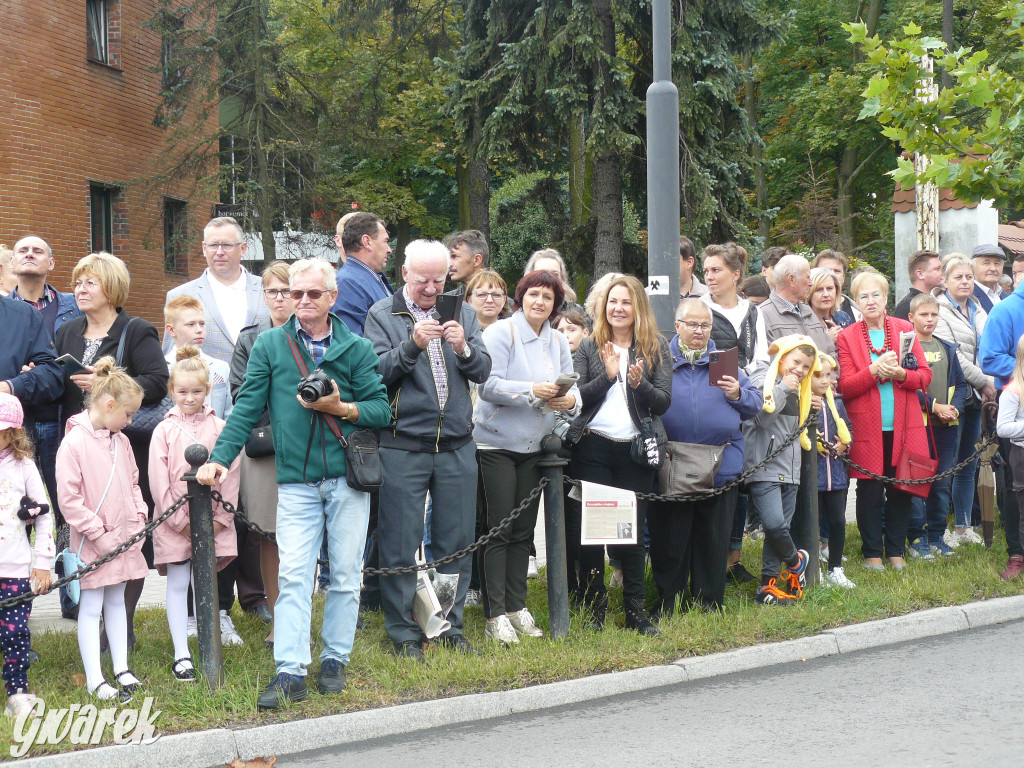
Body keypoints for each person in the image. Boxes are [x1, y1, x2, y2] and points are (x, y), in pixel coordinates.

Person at [199, 258, 391, 708]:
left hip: (346, 477)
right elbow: (245, 408)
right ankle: (289, 670)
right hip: (296, 481)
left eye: (313, 294)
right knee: (294, 575)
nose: (302, 301)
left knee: (344, 575)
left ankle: (334, 658)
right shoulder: (270, 344)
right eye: (295, 293)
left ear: (332, 297)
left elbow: (381, 410)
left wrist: (343, 408)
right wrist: (219, 459)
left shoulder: (357, 347)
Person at [364, 240, 492, 660]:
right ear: (404, 274)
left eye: (440, 279)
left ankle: (447, 625)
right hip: (402, 445)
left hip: (457, 444)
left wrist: (464, 348)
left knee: (455, 541)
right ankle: (403, 631)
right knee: (400, 543)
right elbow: (374, 375)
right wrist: (412, 345)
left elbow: (483, 370)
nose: (432, 289)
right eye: (423, 281)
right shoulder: (382, 314)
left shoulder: (463, 311)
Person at [55, 252, 168, 643]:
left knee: (124, 536)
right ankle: (90, 615)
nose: (80, 289)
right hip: (79, 445)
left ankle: (121, 626)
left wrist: (107, 385)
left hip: (123, 446)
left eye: (90, 282)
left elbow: (156, 383)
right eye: (77, 282)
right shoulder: (67, 331)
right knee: (87, 530)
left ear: (112, 288)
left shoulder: (136, 330)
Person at [164, 217, 270, 626]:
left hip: (251, 416)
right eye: (212, 245)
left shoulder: (267, 290)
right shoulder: (182, 294)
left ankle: (256, 593)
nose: (219, 251)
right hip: (201, 425)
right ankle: (214, 604)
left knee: (248, 512)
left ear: (243, 248)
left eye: (227, 244)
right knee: (215, 510)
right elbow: (171, 367)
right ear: (203, 248)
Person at [474, 271, 580, 644]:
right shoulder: (502, 332)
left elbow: (573, 390)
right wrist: (531, 390)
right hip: (496, 446)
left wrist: (567, 400)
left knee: (522, 534)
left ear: (556, 305)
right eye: (534, 294)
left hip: (535, 448)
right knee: (499, 530)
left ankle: (517, 607)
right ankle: (494, 615)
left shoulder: (556, 340)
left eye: (548, 298)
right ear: (520, 298)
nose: (540, 302)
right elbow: (487, 385)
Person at [565, 274, 670, 635]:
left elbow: (664, 402)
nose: (618, 308)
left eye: (626, 302)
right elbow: (578, 397)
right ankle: (595, 608)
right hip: (593, 447)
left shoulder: (655, 346)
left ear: (637, 306)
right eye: (613, 301)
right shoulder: (590, 345)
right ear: (603, 307)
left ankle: (635, 611)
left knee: (631, 534)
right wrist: (610, 377)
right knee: (593, 533)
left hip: (635, 451)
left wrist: (639, 385)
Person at [651, 300, 761, 613]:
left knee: (713, 540)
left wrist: (736, 394)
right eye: (693, 324)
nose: (699, 331)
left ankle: (708, 602)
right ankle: (668, 601)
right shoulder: (660, 361)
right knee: (671, 540)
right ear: (678, 325)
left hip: (720, 466)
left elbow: (754, 405)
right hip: (672, 465)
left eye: (705, 325)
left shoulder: (726, 363)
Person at [56, 358, 148, 702]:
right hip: (95, 543)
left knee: (117, 603)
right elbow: (70, 501)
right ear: (109, 405)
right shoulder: (74, 444)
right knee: (92, 606)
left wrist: (139, 514)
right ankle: (95, 677)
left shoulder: (121, 442)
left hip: (124, 539)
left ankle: (122, 667)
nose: (130, 421)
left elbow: (135, 482)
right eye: (127, 414)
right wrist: (99, 532)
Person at [149, 347, 239, 680]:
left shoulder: (221, 426)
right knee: (177, 584)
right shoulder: (164, 431)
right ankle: (181, 653)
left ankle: (210, 644)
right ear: (172, 391)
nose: (190, 398)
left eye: (197, 391)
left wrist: (217, 522)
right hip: (177, 526)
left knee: (208, 584)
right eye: (182, 391)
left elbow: (232, 472)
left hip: (214, 522)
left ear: (208, 390)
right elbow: (159, 483)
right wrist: (182, 523)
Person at [837, 271, 932, 571]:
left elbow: (925, 376)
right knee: (869, 493)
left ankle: (896, 551)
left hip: (904, 427)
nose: (871, 301)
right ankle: (872, 554)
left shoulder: (904, 329)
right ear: (857, 302)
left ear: (886, 298)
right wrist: (875, 371)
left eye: (876, 294)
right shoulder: (847, 336)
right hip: (868, 428)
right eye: (863, 296)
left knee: (901, 490)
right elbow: (846, 386)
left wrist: (902, 375)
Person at [8, 236, 79, 601]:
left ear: (52, 263)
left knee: (64, 506)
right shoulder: (8, 313)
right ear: (11, 263)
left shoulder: (72, 306)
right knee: (14, 509)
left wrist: (36, 374)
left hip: (59, 416)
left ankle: (72, 595)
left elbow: (70, 359)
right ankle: (17, 602)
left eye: (38, 250)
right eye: (23, 249)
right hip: (15, 425)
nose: (30, 254)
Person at [229, 260, 295, 646]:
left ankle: (304, 615)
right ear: (263, 294)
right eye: (273, 291)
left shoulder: (318, 335)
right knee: (270, 536)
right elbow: (241, 395)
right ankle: (279, 619)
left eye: (287, 290)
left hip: (312, 446)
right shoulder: (251, 338)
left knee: (306, 538)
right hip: (266, 446)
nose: (281, 298)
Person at [744, 336, 816, 605]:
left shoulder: (801, 389)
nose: (799, 369)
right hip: (764, 466)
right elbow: (761, 418)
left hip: (791, 469)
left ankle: (768, 586)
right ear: (782, 357)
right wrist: (784, 388)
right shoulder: (764, 376)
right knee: (773, 525)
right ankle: (796, 561)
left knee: (780, 529)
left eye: (806, 366)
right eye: (796, 361)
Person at [933, 254, 993, 547]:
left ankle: (963, 526)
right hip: (955, 393)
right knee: (948, 464)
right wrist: (985, 381)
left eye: (969, 276)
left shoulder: (979, 309)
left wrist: (989, 382)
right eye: (958, 277)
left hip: (978, 396)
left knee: (969, 463)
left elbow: (990, 347)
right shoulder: (940, 310)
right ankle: (939, 528)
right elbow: (953, 355)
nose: (965, 281)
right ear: (944, 281)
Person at [0, 392, 54, 716]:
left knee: (16, 634)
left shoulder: (25, 467)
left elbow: (45, 514)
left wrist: (43, 563)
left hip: (15, 568)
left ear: (12, 432)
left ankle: (17, 693)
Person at [905, 293, 967, 559]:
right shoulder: (906, 350)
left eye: (934, 314)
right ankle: (916, 537)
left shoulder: (946, 348)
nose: (929, 319)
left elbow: (962, 385)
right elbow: (904, 385)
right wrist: (933, 406)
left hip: (947, 426)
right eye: (923, 314)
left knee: (942, 483)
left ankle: (937, 537)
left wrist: (954, 408)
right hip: (918, 426)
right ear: (911, 317)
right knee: (918, 483)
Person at [979, 268, 1024, 578]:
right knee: (1014, 487)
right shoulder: (1006, 310)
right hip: (1017, 407)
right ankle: (1017, 553)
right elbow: (990, 358)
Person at [812, 353, 855, 588]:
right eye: (818, 375)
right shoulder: (802, 401)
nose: (825, 380)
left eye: (828, 374)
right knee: (811, 524)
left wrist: (845, 444)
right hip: (813, 477)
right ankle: (812, 569)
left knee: (838, 521)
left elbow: (848, 426)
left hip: (836, 474)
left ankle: (835, 568)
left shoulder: (836, 401)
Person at [699, 243, 768, 373]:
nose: (709, 277)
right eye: (706, 271)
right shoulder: (698, 308)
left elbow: (762, 358)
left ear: (735, 275)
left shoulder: (752, 311)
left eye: (716, 270)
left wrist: (744, 373)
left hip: (747, 386)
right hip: (708, 384)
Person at [163, 296, 232, 419]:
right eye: (191, 324)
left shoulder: (221, 367)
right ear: (171, 330)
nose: (199, 330)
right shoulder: (162, 368)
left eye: (202, 324)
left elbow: (229, 413)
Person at [330, 212, 394, 336]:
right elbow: (350, 344)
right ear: (367, 241)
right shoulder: (346, 283)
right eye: (385, 241)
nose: (389, 249)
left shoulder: (367, 278)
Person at [759, 254, 835, 357]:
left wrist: (829, 373)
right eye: (808, 277)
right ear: (792, 280)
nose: (811, 283)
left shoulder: (809, 312)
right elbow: (768, 364)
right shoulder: (763, 315)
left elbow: (831, 354)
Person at [996, 336, 1024, 576]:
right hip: (1020, 453)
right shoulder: (1013, 390)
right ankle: (1017, 553)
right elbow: (1003, 428)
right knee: (1019, 503)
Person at [809, 267, 853, 349]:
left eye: (830, 288)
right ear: (809, 293)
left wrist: (844, 340)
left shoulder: (843, 317)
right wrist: (827, 341)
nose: (826, 294)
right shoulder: (802, 321)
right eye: (819, 290)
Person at [893, 250, 943, 321]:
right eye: (937, 269)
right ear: (920, 274)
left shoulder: (939, 300)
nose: (943, 273)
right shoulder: (906, 306)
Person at [813, 249, 860, 320]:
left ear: (843, 277)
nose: (832, 275)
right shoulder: (802, 312)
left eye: (836, 271)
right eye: (825, 270)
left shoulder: (858, 310)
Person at [446, 229, 489, 294]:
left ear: (477, 260)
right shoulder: (447, 302)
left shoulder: (503, 303)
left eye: (454, 256)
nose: (449, 264)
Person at [972, 243, 1008, 313]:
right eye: (986, 263)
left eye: (997, 264)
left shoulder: (1006, 298)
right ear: (973, 267)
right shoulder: (968, 297)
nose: (993, 268)